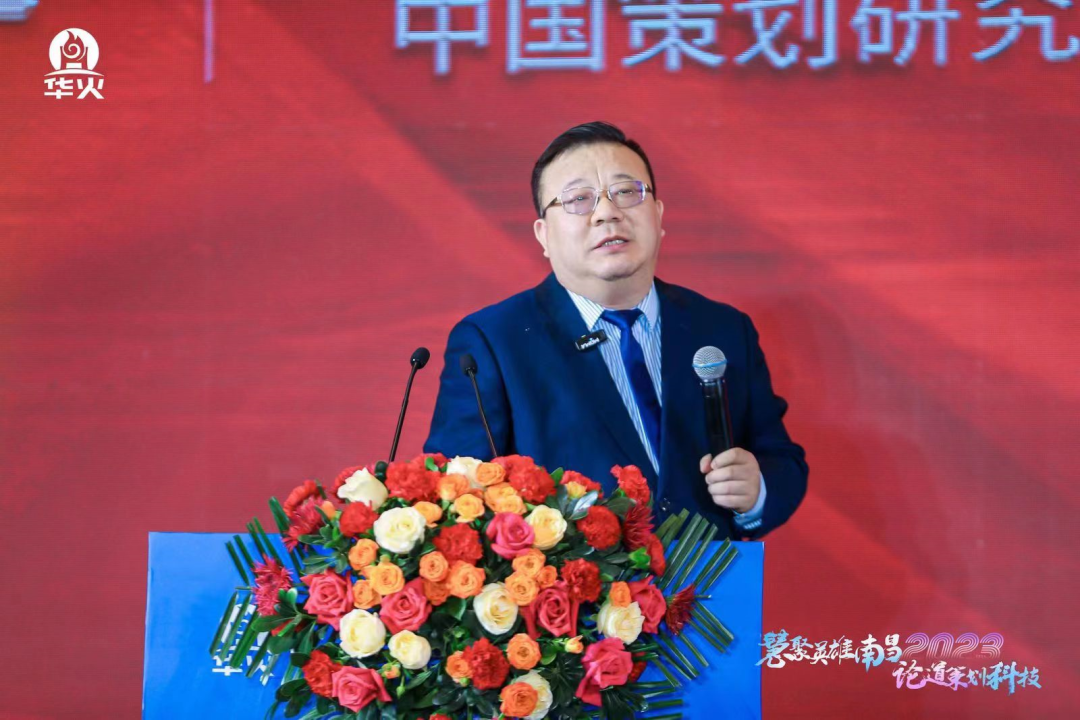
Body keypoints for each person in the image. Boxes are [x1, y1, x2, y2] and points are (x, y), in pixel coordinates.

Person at [424, 121, 807, 538]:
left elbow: (778, 459)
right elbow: (456, 497)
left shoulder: (723, 329)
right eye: (578, 199)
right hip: (573, 579)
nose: (607, 212)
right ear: (544, 235)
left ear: (658, 215)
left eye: (626, 192)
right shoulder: (494, 343)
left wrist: (757, 492)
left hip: (710, 578)